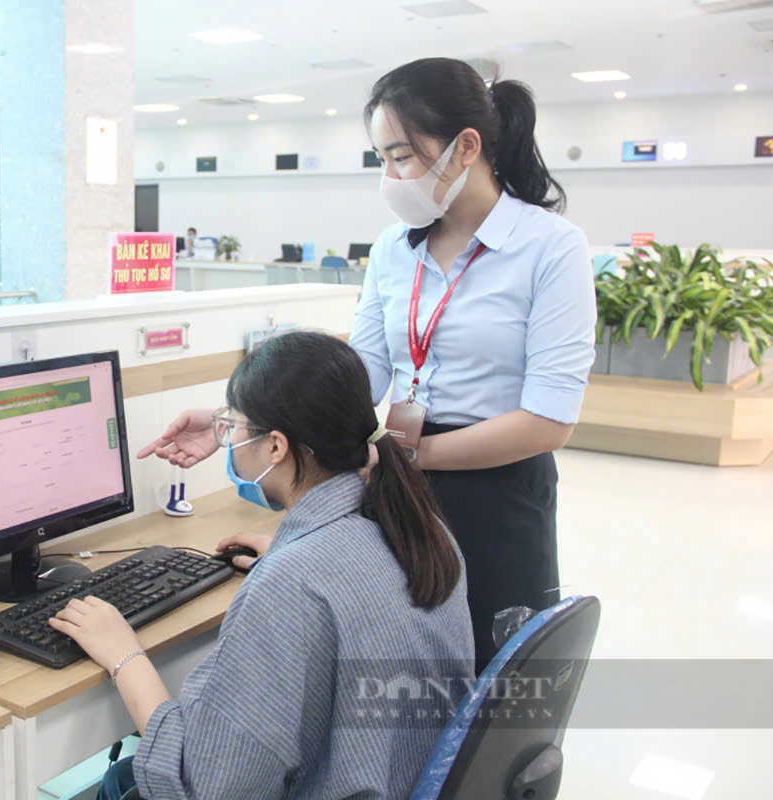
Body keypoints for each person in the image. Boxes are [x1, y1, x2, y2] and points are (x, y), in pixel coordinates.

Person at [53, 331, 474, 800]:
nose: (227, 440)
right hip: (403, 779)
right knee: (122, 777)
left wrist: (123, 654)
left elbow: (204, 787)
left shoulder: (291, 584)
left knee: (124, 782)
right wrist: (294, 555)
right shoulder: (423, 531)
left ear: (276, 446)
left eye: (233, 427)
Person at [351, 57, 596, 671]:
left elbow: (548, 422)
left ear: (466, 147)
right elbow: (364, 371)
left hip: (497, 487)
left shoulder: (550, 247)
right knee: (405, 674)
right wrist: (249, 416)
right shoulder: (392, 248)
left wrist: (414, 456)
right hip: (400, 485)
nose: (389, 176)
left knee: (494, 680)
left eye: (401, 155)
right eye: (380, 158)